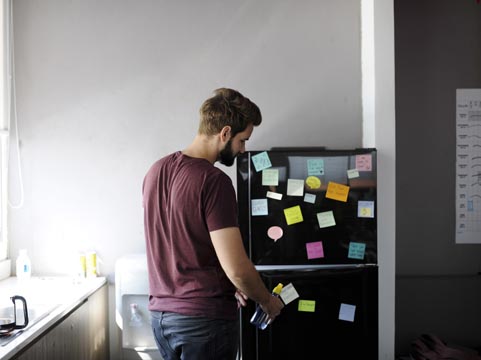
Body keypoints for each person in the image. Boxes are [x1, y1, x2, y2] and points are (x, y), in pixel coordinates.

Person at [142, 88, 284, 360]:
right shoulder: (214, 181)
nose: (243, 150)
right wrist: (267, 301)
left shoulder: (155, 171)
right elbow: (237, 268)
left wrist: (231, 284)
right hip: (203, 322)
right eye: (243, 141)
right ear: (225, 133)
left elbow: (184, 243)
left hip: (162, 317)